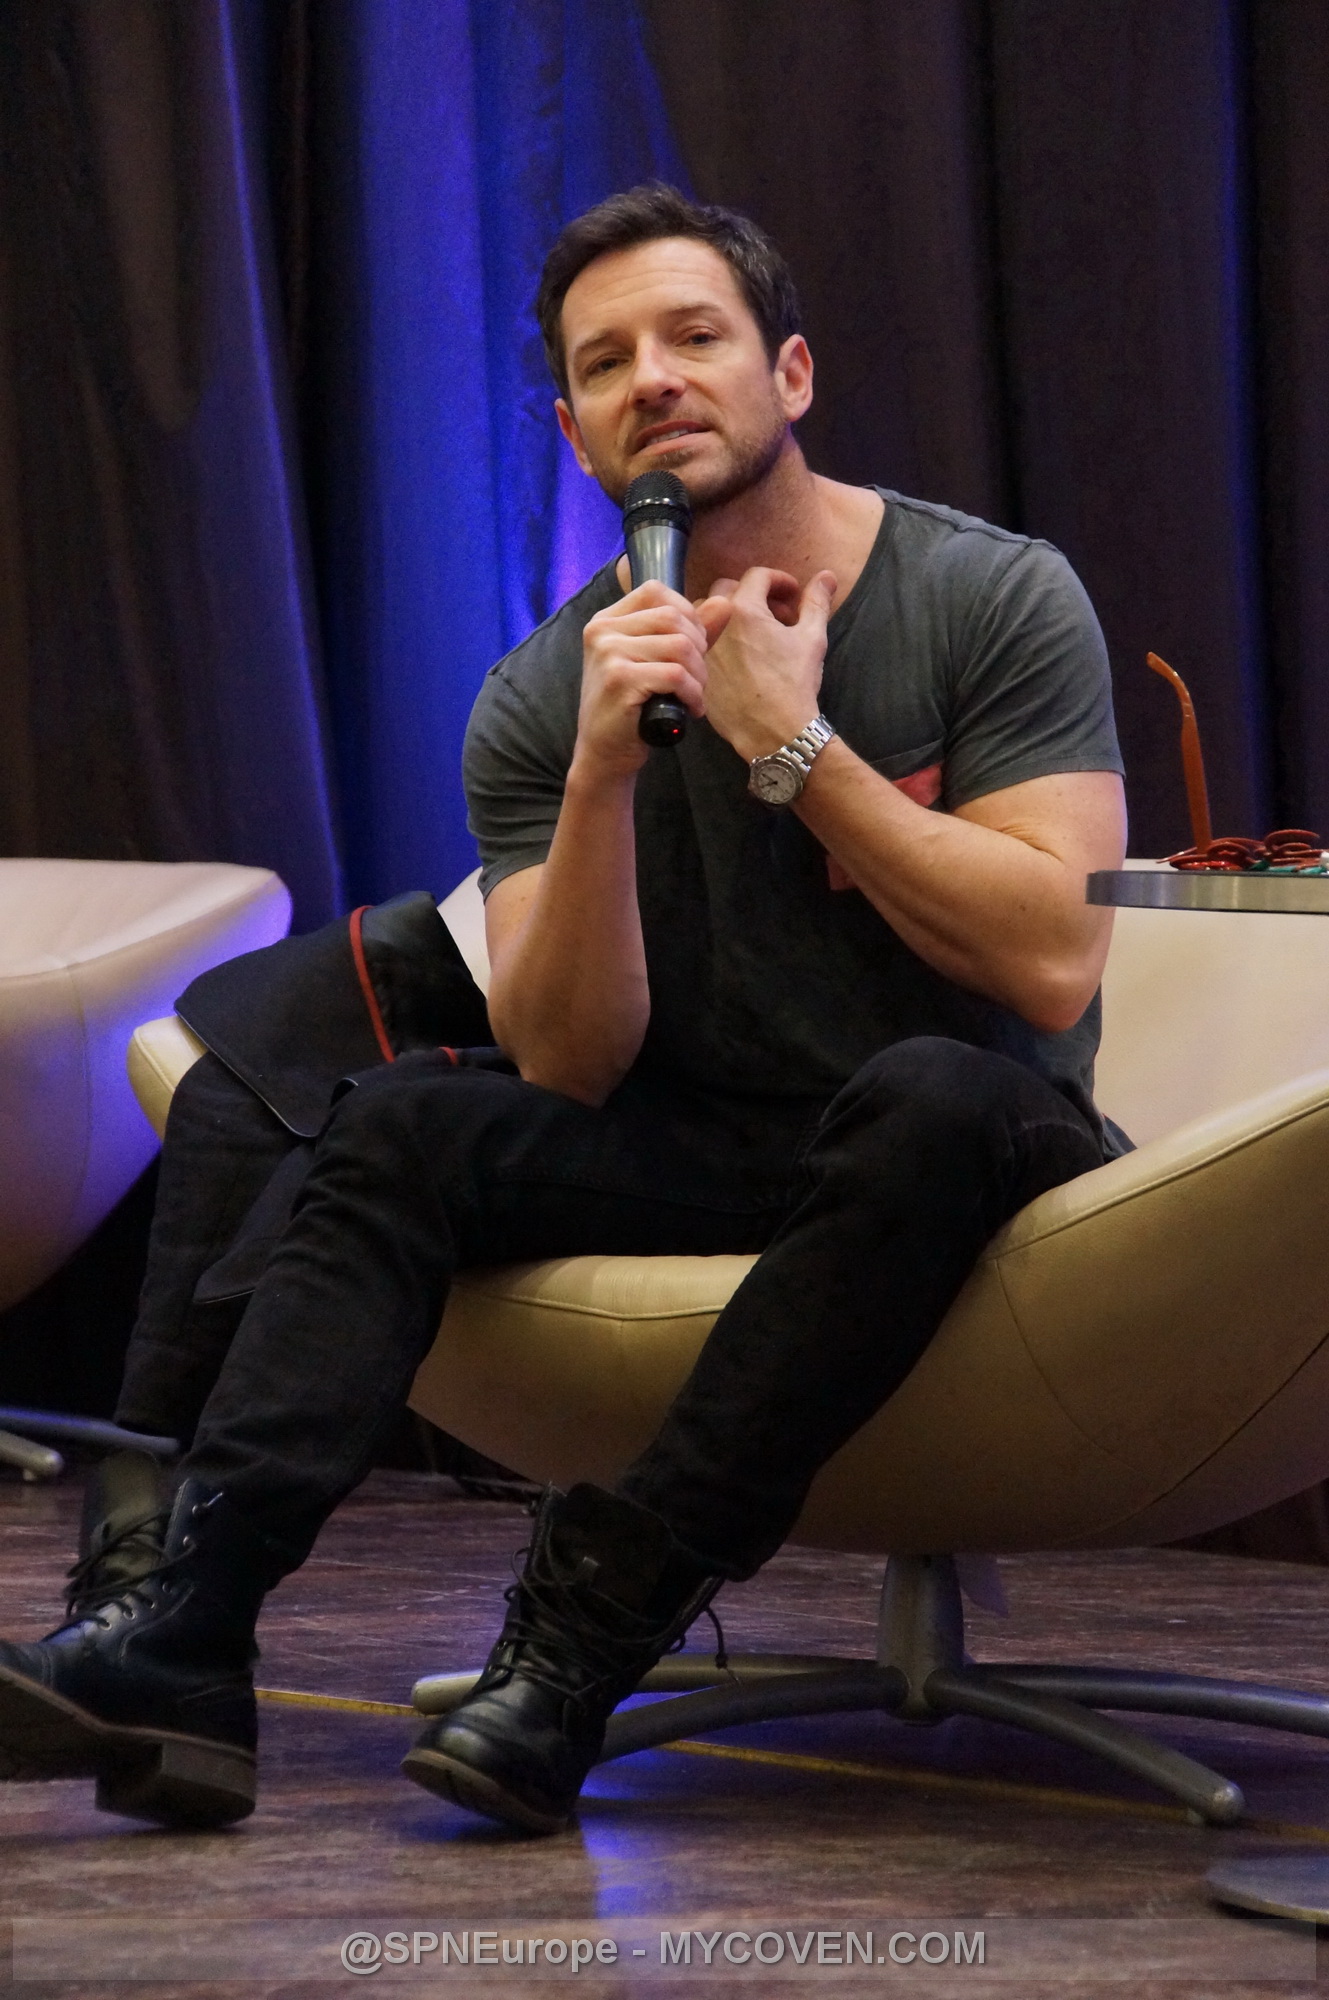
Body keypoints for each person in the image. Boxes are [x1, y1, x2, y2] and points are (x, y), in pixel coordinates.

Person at [0, 185, 1126, 1837]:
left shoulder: (990, 595)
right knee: (399, 1123)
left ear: (790, 373)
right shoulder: (545, 691)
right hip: (720, 1143)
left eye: (694, 337)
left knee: (930, 1094)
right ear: (574, 433)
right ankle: (187, 1628)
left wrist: (790, 746)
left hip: (980, 1140)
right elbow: (572, 1059)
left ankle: (586, 1637)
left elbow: (1049, 963)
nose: (651, 379)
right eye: (605, 364)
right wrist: (602, 778)